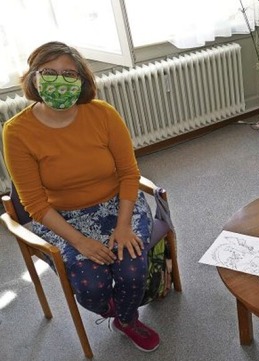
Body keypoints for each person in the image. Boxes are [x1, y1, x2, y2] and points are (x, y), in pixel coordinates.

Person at [2, 42, 159, 352]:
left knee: (131, 268)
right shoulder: (16, 132)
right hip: (62, 217)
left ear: (82, 80)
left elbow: (129, 174)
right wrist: (80, 241)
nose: (59, 81)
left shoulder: (103, 114)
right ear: (32, 78)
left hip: (117, 204)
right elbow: (34, 204)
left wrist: (124, 225)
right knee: (92, 285)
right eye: (49, 72)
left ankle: (127, 320)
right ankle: (113, 310)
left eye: (69, 74)